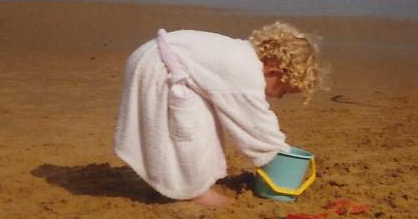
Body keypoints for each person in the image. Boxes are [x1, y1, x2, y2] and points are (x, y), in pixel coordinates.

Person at [113, 21, 320, 208]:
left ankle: (173, 179)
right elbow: (255, 123)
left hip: (154, 55)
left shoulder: (241, 53)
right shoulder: (246, 73)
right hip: (158, 67)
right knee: (189, 131)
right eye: (283, 90)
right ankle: (192, 191)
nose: (279, 97)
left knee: (189, 123)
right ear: (274, 72)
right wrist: (278, 151)